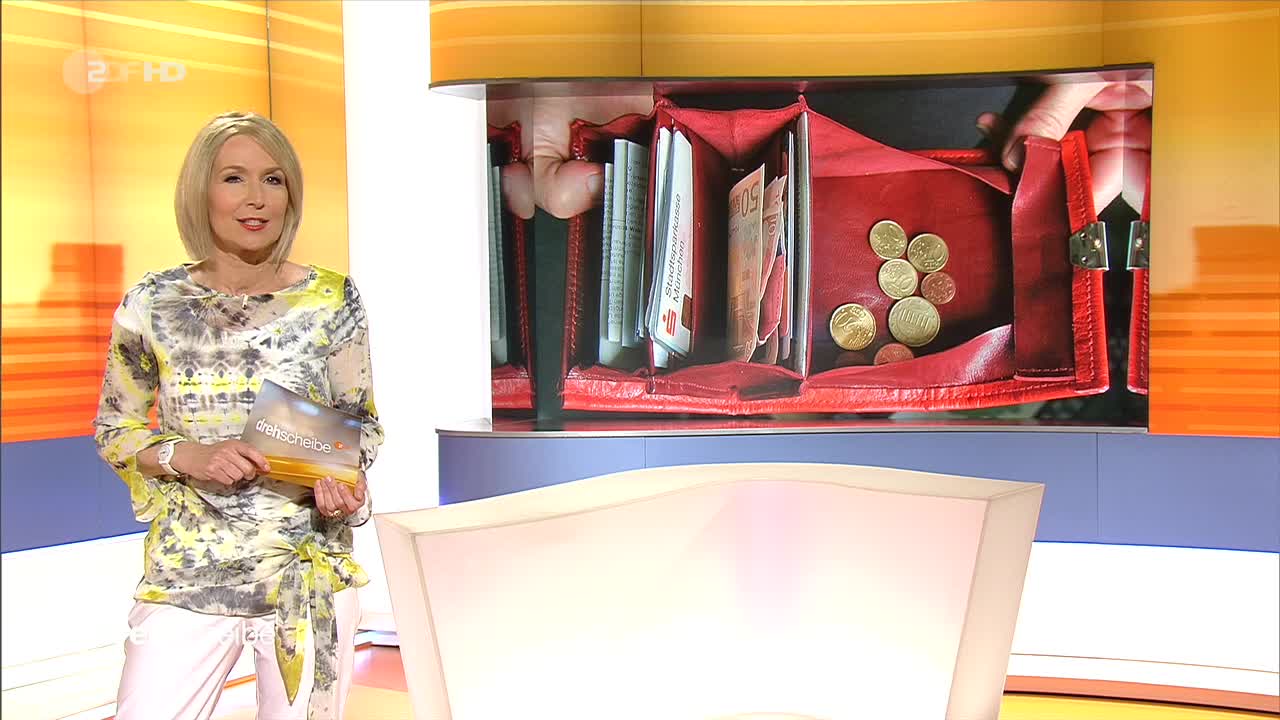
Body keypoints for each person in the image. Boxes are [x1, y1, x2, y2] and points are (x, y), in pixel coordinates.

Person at [93, 111, 384, 719]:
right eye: (234, 178)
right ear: (200, 192)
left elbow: (360, 427)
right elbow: (115, 430)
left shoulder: (332, 299)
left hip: (304, 577)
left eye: (273, 180)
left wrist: (345, 484)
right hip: (188, 574)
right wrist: (185, 455)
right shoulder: (154, 302)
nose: (257, 198)